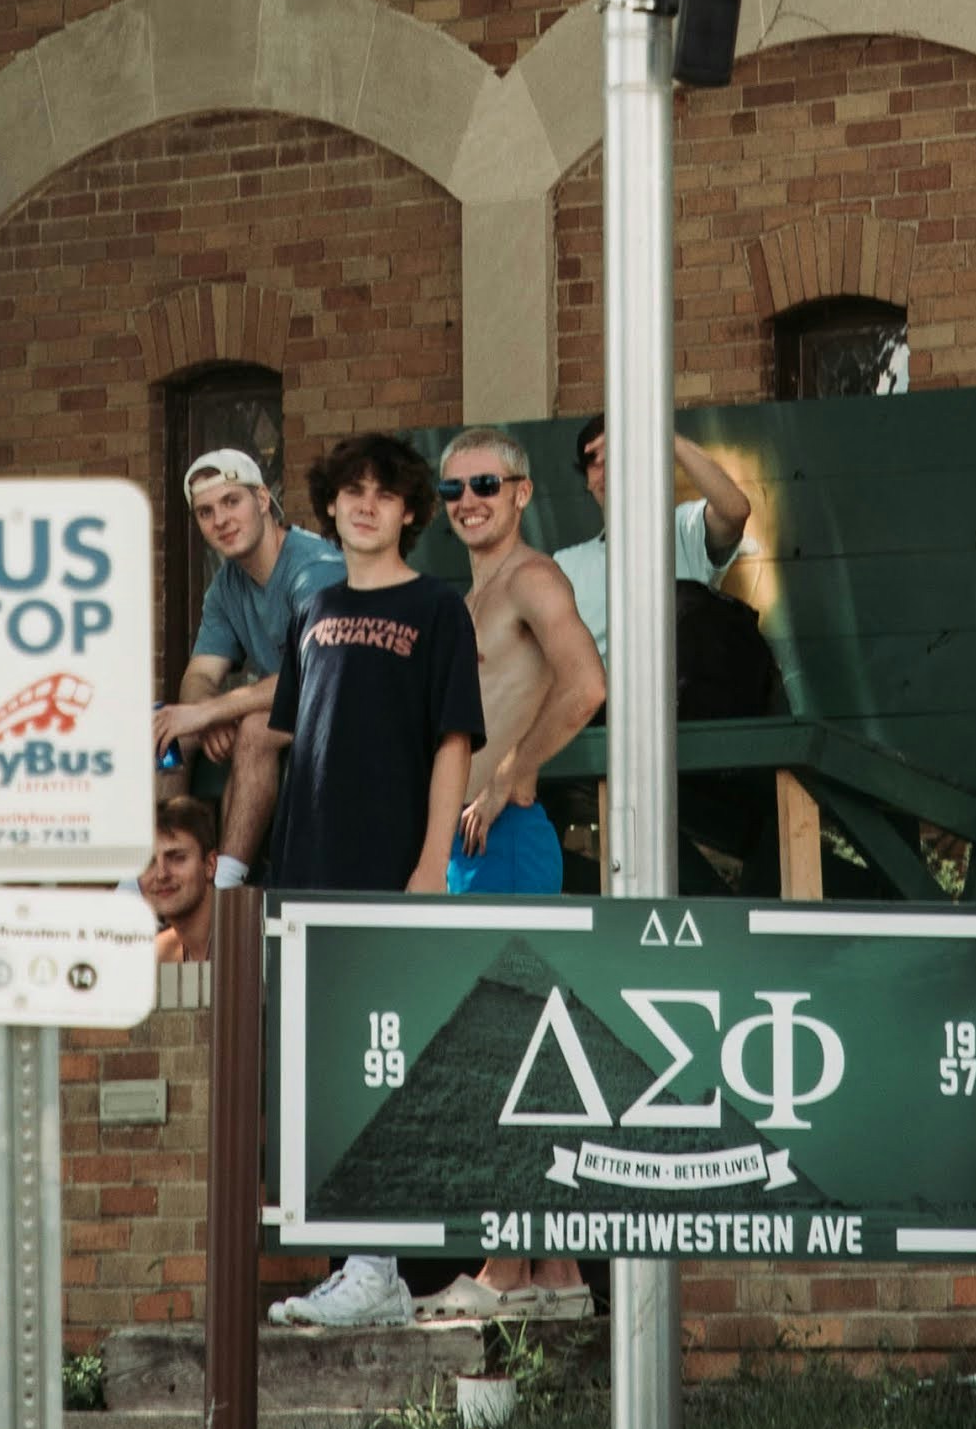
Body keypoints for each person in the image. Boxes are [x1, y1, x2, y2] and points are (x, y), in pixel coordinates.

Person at [253, 434, 483, 1339]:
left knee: (383, 1062)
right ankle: (362, 1263)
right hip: (307, 870)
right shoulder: (312, 603)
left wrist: (430, 866)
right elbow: (288, 741)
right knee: (327, 1066)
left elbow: (453, 742)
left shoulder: (438, 608)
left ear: (410, 511)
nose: (365, 505)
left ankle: (380, 1265)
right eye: (350, 491)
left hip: (391, 870)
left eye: (384, 494)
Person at [426, 431, 608, 1322]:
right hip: (470, 840)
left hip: (509, 836)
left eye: (486, 483)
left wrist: (514, 772)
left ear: (523, 490)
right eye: (454, 487)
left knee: (508, 1044)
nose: (469, 499)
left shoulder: (532, 579)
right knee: (530, 1048)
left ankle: (504, 1268)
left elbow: (585, 683)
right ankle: (557, 1275)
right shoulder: (474, 593)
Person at [151, 449, 343, 778]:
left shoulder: (314, 569)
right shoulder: (225, 587)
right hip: (291, 708)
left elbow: (311, 676)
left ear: (263, 499)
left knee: (255, 728)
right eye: (205, 512)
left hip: (346, 704)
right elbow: (199, 677)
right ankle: (169, 831)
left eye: (231, 501)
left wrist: (212, 710)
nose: (220, 520)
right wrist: (207, 715)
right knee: (168, 732)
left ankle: (232, 834)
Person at [550, 420, 756, 656]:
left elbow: (735, 511)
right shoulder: (565, 564)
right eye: (594, 463)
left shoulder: (682, 530)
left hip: (677, 691)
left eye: (617, 455)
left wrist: (661, 434)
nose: (607, 471)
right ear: (587, 481)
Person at [141, 786, 220, 969]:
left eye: (177, 858)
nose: (161, 874)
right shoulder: (155, 956)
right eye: (148, 863)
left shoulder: (255, 942)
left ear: (210, 865)